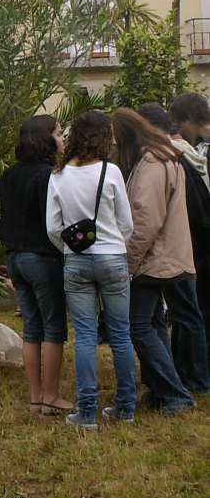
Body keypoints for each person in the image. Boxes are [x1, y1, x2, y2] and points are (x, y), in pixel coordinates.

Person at [46, 111, 136, 429]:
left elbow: (52, 227)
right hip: (112, 258)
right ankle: (125, 407)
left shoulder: (58, 175)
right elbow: (126, 223)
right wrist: (114, 243)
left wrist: (70, 248)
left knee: (84, 336)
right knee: (121, 334)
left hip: (76, 260)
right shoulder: (111, 172)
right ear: (103, 137)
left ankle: (86, 412)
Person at [0, 115, 71, 415]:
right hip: (43, 258)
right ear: (46, 138)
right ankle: (51, 396)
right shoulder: (50, 176)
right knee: (54, 328)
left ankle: (35, 397)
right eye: (58, 133)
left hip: (15, 258)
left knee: (31, 328)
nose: (62, 138)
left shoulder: (11, 174)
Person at [111, 109, 203, 410]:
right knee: (152, 323)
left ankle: (175, 394)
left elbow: (146, 219)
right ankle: (163, 390)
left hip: (153, 259)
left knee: (138, 326)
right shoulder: (163, 158)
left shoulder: (152, 163)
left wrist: (128, 263)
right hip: (165, 256)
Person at [137, 103, 210, 392]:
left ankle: (196, 378)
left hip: (180, 249)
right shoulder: (184, 156)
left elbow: (154, 214)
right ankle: (189, 373)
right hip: (188, 248)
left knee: (188, 315)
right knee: (188, 314)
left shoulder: (164, 159)